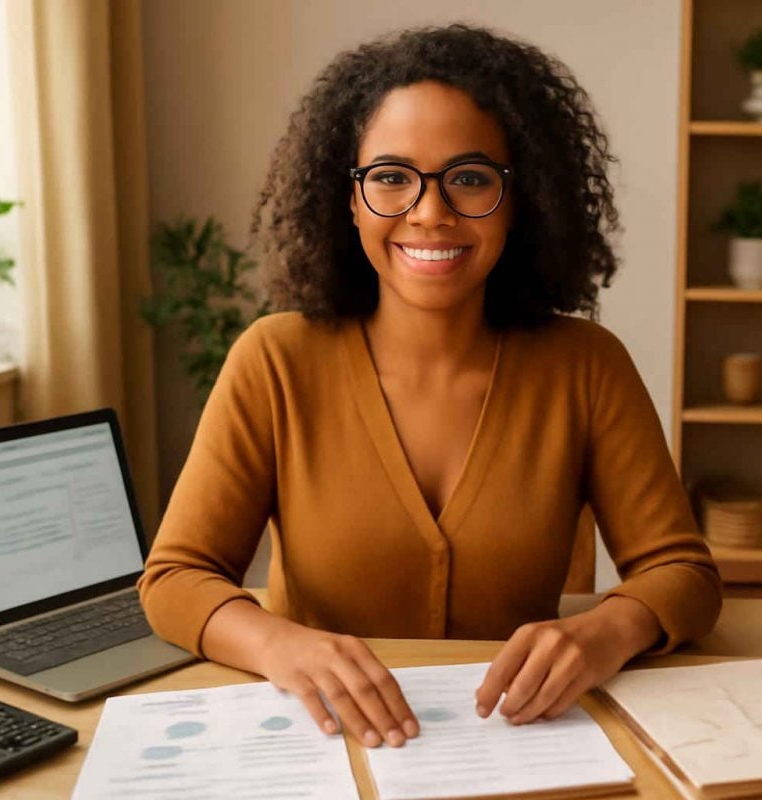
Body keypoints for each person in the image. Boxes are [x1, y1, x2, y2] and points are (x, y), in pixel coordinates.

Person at [138, 23, 721, 752]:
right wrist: (281, 647)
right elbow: (175, 578)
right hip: (321, 748)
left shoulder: (586, 365)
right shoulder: (275, 362)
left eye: (470, 178)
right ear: (348, 199)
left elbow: (684, 573)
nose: (429, 212)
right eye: (390, 177)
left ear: (521, 199)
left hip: (521, 746)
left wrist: (606, 631)